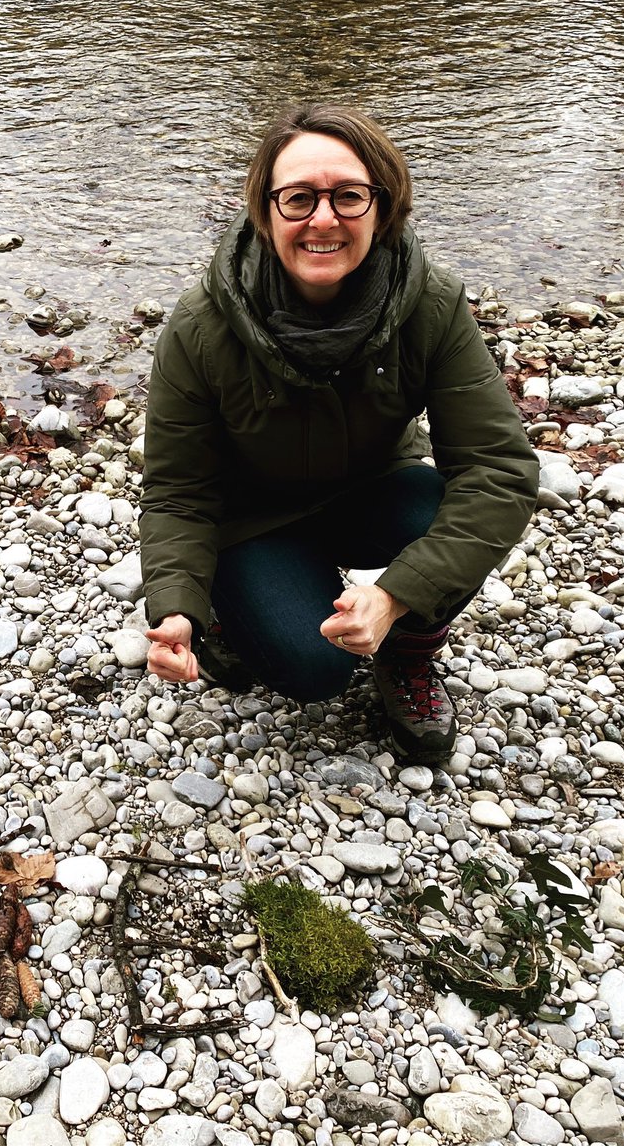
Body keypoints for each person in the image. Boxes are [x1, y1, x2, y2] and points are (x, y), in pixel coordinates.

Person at [139, 102, 539, 764]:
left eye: (347, 196)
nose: (322, 219)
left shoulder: (432, 305)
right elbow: (179, 490)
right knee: (314, 672)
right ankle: (226, 612)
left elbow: (500, 471)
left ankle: (408, 655)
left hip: (371, 486)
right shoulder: (200, 325)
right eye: (298, 199)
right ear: (266, 214)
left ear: (383, 208)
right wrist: (175, 604)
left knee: (443, 510)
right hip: (255, 519)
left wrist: (398, 595)